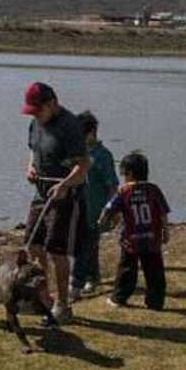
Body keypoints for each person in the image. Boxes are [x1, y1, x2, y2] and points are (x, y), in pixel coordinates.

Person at [22, 81, 91, 325]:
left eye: (38, 110)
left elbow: (83, 166)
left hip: (65, 198)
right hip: (40, 194)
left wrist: (64, 186)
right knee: (34, 246)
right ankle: (44, 298)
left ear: (52, 103)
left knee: (56, 251)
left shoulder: (69, 126)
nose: (35, 116)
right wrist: (31, 168)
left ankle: (63, 305)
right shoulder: (35, 123)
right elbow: (33, 150)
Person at [98, 151, 171, 310]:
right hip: (152, 238)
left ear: (129, 173)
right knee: (155, 271)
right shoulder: (153, 189)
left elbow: (108, 209)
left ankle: (119, 298)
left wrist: (102, 222)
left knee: (127, 270)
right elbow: (163, 212)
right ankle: (156, 302)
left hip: (131, 239)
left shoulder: (124, 191)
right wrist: (166, 231)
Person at [70, 110, 119, 299]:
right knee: (83, 245)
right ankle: (93, 276)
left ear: (91, 133)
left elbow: (112, 185)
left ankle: (79, 282)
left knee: (88, 245)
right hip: (78, 208)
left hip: (96, 210)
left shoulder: (103, 156)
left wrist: (113, 211)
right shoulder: (76, 153)